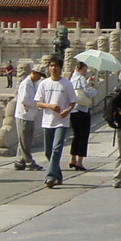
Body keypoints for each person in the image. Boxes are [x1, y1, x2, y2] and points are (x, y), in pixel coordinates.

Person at [35, 58, 77, 188]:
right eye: (51, 66)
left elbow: (73, 101)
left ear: (60, 68)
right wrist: (49, 106)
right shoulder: (44, 84)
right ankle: (58, 175)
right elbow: (38, 103)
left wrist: (67, 111)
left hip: (61, 122)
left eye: (56, 66)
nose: (53, 68)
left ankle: (50, 176)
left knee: (57, 149)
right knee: (48, 152)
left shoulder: (66, 84)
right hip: (47, 121)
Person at [13, 64, 46, 171]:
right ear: (34, 73)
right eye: (39, 75)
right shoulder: (26, 84)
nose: (39, 77)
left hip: (30, 115)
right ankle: (29, 162)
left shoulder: (34, 83)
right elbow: (24, 100)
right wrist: (38, 103)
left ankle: (20, 161)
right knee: (25, 141)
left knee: (25, 140)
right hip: (24, 115)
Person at [68, 60, 96, 171]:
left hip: (73, 110)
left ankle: (72, 158)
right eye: (84, 70)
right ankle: (79, 162)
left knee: (76, 135)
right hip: (82, 110)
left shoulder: (71, 79)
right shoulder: (81, 78)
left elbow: (79, 88)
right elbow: (88, 92)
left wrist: (88, 81)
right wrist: (94, 89)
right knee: (83, 136)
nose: (85, 73)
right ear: (79, 70)